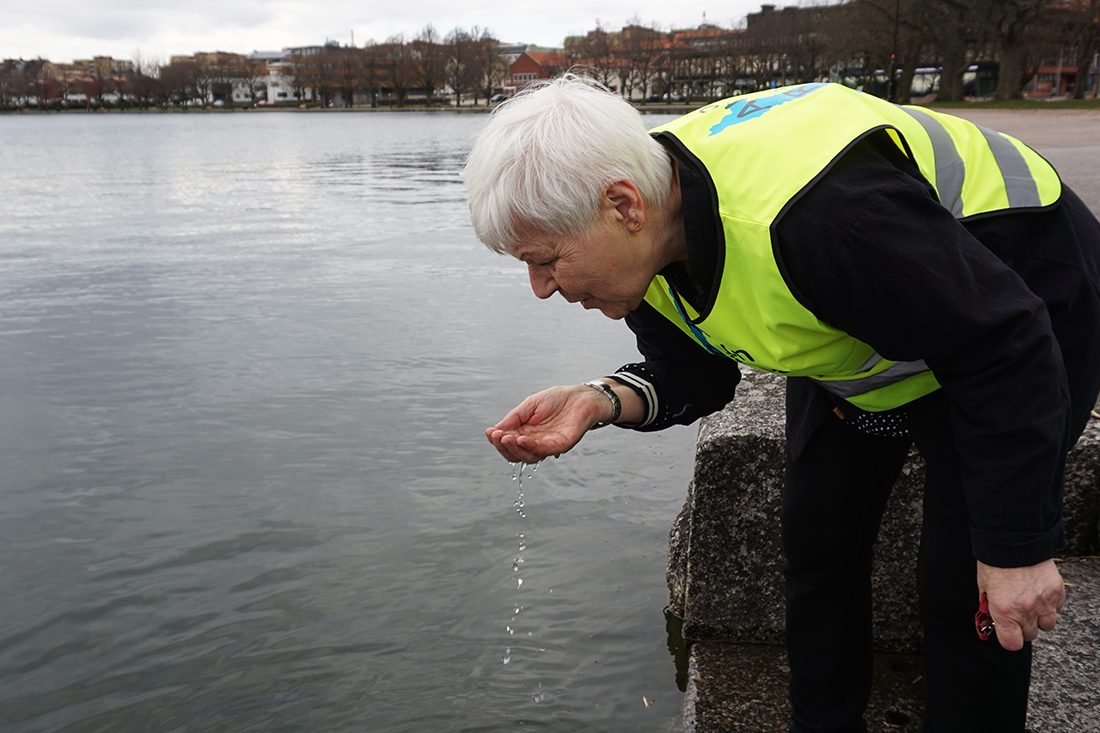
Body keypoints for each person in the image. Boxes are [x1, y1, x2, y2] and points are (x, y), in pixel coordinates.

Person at [463, 74, 1100, 732]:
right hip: (878, 322)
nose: (540, 287)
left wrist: (1017, 548)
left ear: (623, 205)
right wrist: (598, 400)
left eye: (545, 260)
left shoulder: (816, 219)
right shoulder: (647, 243)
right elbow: (696, 376)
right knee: (818, 535)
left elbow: (1004, 345)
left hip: (1018, 304)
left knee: (966, 578)